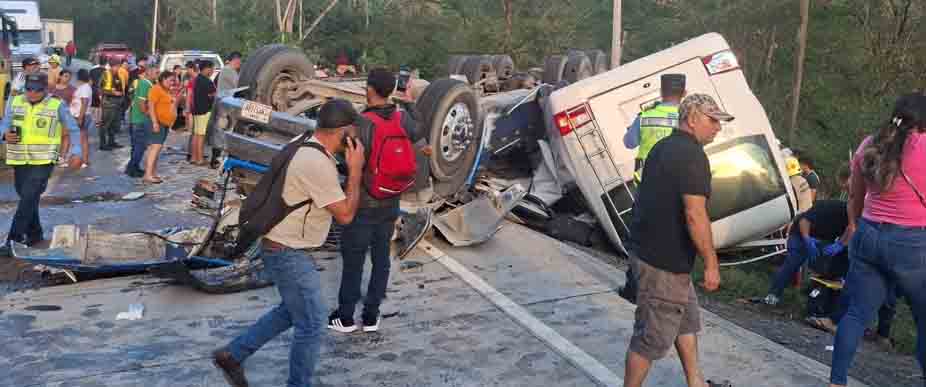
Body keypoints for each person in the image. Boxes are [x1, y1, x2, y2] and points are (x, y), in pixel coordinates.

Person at [212, 99, 366, 387]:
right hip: (287, 251)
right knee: (312, 323)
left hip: (282, 246)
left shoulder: (304, 140)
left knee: (292, 311)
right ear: (343, 131)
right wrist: (355, 170)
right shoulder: (316, 163)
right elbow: (345, 214)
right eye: (354, 131)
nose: (357, 138)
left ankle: (232, 355)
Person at [622, 94, 731, 387]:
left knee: (685, 321)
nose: (717, 128)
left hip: (655, 254)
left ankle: (696, 382)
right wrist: (711, 263)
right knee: (650, 338)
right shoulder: (692, 155)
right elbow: (695, 214)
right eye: (713, 120)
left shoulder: (664, 146)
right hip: (663, 263)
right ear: (692, 118)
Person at [828, 94, 926, 387]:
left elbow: (855, 197)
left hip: (869, 234)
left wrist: (857, 226)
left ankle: (836, 382)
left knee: (856, 314)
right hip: (911, 244)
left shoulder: (871, 144)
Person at [328, 68, 426, 334]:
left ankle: (346, 317)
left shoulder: (360, 124)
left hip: (362, 202)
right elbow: (420, 130)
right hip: (391, 200)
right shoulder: (403, 118)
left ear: (369, 89)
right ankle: (371, 316)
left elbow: (346, 161)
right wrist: (408, 100)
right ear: (393, 90)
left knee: (353, 259)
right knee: (381, 258)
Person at [0, 73, 84, 253]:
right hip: (19, 159)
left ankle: (14, 239)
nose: (32, 93)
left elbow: (73, 128)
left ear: (45, 89)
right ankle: (35, 233)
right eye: (29, 89)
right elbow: (4, 123)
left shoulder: (56, 104)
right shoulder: (15, 101)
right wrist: (4, 135)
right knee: (26, 196)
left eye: (37, 90)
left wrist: (76, 151)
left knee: (29, 196)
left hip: (44, 160)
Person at [760, 198, 849, 307]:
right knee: (794, 261)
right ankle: (773, 295)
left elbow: (851, 232)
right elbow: (804, 221)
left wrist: (840, 245)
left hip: (822, 239)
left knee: (833, 264)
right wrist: (807, 239)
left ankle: (816, 299)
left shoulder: (854, 218)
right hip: (801, 233)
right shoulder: (829, 207)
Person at [623, 74, 686, 182]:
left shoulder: (644, 116)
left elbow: (629, 143)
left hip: (647, 176)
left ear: (661, 92)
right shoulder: (687, 117)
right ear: (684, 93)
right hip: (679, 174)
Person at [143, 71, 180, 185]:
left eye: (172, 80)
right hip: (157, 122)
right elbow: (151, 106)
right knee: (155, 147)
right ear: (163, 79)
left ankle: (151, 173)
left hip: (164, 123)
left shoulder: (166, 90)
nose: (171, 83)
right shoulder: (156, 89)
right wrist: (154, 122)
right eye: (169, 80)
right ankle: (148, 174)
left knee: (156, 149)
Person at [208, 51, 242, 169]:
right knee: (221, 132)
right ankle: (216, 160)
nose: (240, 64)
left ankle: (217, 159)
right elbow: (239, 84)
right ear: (235, 60)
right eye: (239, 61)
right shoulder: (229, 70)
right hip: (225, 106)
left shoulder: (227, 70)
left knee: (221, 131)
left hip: (224, 104)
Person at [126, 66, 157, 178]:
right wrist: (150, 114)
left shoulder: (146, 84)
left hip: (137, 119)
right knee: (140, 146)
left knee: (136, 146)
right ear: (149, 73)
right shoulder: (145, 84)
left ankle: (134, 167)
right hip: (140, 120)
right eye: (156, 72)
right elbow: (141, 103)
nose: (157, 75)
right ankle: (132, 168)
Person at [190, 60, 216, 165]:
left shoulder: (197, 79)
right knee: (201, 135)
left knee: (196, 134)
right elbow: (213, 94)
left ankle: (193, 157)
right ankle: (200, 159)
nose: (213, 71)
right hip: (204, 111)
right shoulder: (207, 81)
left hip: (196, 110)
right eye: (212, 68)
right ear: (206, 69)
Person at [49, 70, 76, 165]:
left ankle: (62, 157)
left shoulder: (72, 89)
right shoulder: (51, 88)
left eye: (69, 77)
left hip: (65, 115)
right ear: (60, 76)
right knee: (53, 136)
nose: (67, 78)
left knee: (65, 136)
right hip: (51, 115)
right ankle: (54, 155)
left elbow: (74, 103)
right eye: (65, 76)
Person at [98, 58, 125, 150]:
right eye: (117, 66)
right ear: (112, 66)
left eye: (119, 66)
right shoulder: (106, 74)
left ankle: (111, 142)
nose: (118, 68)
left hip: (117, 103)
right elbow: (100, 89)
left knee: (113, 124)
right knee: (105, 124)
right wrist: (113, 93)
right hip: (108, 103)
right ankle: (103, 144)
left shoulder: (117, 74)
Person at [71, 69, 92, 168]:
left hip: (81, 115)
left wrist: (80, 117)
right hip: (80, 115)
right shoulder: (84, 87)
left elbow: (84, 103)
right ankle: (83, 160)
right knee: (82, 138)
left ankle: (83, 160)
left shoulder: (84, 88)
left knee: (82, 139)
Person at [89, 57, 107, 129]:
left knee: (94, 106)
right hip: (101, 91)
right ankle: (98, 121)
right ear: (106, 63)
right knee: (100, 107)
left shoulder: (92, 70)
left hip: (93, 90)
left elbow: (90, 82)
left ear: (99, 62)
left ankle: (94, 120)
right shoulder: (106, 71)